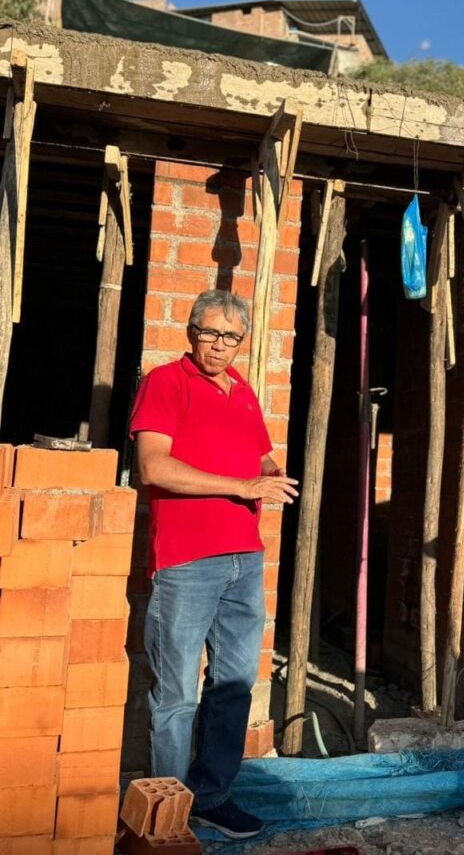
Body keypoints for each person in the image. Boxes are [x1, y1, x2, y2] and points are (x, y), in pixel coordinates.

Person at [130, 289, 299, 840]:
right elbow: (153, 467)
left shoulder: (244, 392)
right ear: (190, 331)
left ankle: (212, 796)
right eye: (209, 333)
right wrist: (242, 485)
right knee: (177, 692)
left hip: (243, 559)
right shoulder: (166, 383)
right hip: (187, 561)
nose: (219, 346)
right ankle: (168, 812)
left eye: (231, 337)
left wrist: (272, 473)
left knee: (233, 683)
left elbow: (258, 456)